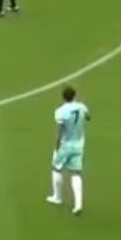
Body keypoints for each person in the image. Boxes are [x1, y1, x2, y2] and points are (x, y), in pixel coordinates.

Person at [45, 87, 89, 215]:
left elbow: (60, 130)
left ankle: (57, 197)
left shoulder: (60, 111)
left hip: (65, 145)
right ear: (75, 95)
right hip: (79, 145)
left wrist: (57, 145)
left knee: (56, 168)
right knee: (76, 173)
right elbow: (88, 117)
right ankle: (78, 204)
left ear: (63, 97)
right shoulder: (82, 107)